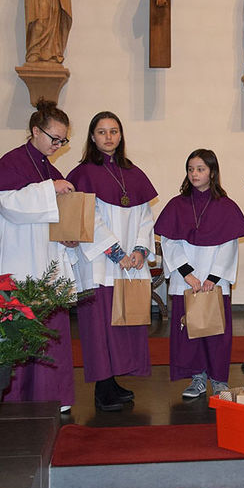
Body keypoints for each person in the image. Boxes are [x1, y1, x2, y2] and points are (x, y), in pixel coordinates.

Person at [0, 99, 76, 412]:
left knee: (49, 333)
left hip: (43, 263)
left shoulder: (49, 168)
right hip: (16, 262)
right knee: (17, 333)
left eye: (63, 140)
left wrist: (68, 239)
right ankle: (14, 398)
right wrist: (50, 189)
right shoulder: (12, 163)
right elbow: (10, 206)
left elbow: (52, 218)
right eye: (54, 138)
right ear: (35, 131)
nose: (57, 146)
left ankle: (50, 396)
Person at [67, 112, 158, 412]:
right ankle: (102, 388)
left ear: (121, 136)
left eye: (114, 131)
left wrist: (141, 250)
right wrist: (115, 252)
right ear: (92, 137)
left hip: (129, 263)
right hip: (100, 265)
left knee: (122, 327)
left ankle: (113, 381)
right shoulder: (83, 174)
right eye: (102, 131)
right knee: (99, 327)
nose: (108, 137)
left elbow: (145, 217)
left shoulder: (133, 173)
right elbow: (87, 218)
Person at [154, 149, 244, 399]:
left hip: (213, 283)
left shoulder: (225, 206)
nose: (195, 174)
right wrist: (187, 274)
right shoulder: (177, 205)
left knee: (216, 332)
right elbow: (169, 241)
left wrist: (213, 278)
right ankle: (197, 378)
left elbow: (228, 245)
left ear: (212, 172)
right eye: (190, 169)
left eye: (200, 169)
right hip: (185, 281)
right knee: (189, 333)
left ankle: (218, 380)